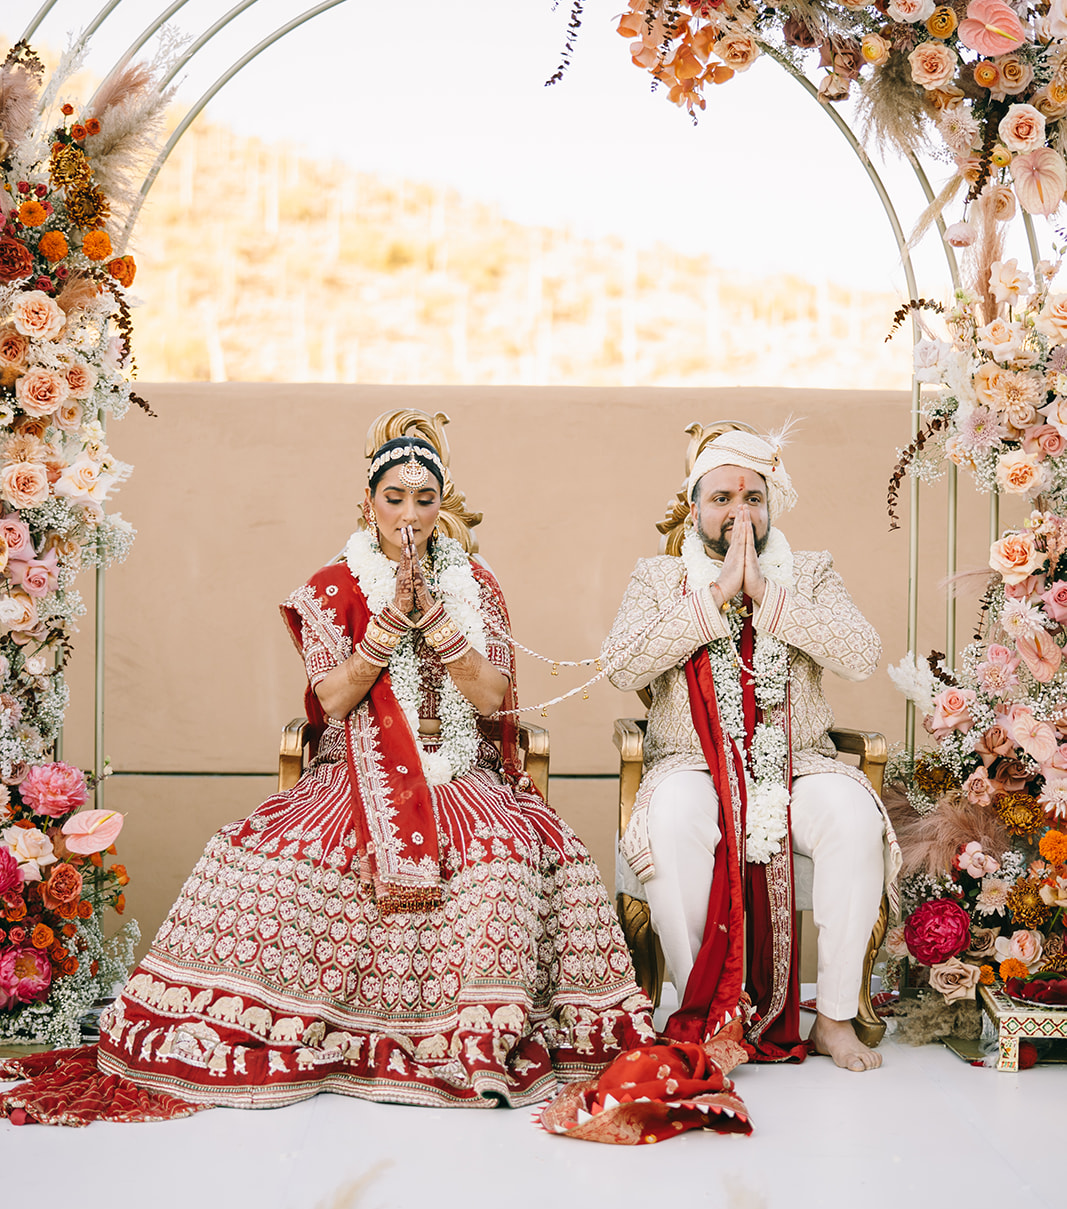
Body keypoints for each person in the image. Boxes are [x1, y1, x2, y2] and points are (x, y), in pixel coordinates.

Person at [1, 421, 653, 1124]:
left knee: (503, 857)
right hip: (352, 772)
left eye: (424, 499)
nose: (408, 514)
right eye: (394, 497)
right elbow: (333, 699)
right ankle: (310, 1035)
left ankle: (475, 1038)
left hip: (463, 772)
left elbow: (492, 697)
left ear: (443, 504)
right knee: (274, 857)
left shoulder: (475, 584)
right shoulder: (330, 586)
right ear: (366, 502)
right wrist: (382, 629)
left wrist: (433, 618)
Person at [603, 425, 900, 1074]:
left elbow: (860, 655)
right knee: (673, 819)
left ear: (772, 504)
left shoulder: (811, 572)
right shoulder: (658, 578)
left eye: (753, 497)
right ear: (693, 508)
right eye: (722, 498)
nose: (739, 512)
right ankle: (709, 1015)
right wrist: (713, 597)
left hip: (798, 764)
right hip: (692, 762)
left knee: (851, 819)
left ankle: (835, 1018)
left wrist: (767, 595)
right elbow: (622, 666)